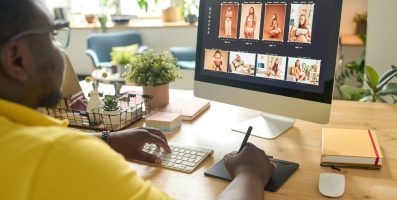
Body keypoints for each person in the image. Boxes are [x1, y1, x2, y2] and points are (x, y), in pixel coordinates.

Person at [0, 1, 275, 199]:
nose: (59, 50)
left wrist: (106, 140)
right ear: (16, 58)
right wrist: (249, 174)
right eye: (52, 35)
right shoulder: (59, 156)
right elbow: (57, 158)